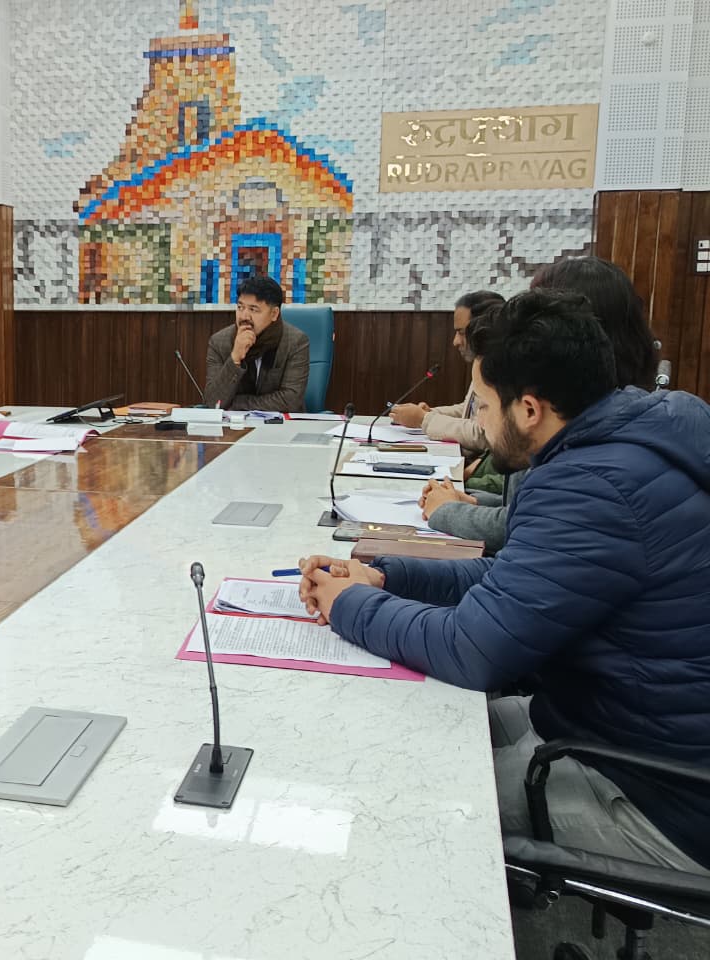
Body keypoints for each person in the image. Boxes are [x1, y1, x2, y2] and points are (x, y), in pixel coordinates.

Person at [299, 288, 710, 875]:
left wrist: (348, 604)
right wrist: (388, 576)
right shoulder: (623, 444)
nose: (481, 426)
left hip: (657, 794)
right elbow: (512, 579)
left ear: (529, 410)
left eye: (485, 408)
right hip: (605, 723)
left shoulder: (594, 486)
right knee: (412, 724)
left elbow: (470, 650)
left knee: (405, 794)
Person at [422, 256, 661, 552]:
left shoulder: (588, 439)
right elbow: (533, 511)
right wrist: (471, 501)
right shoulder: (613, 409)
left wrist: (449, 511)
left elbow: (534, 525)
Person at [389, 290, 504, 455]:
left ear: (484, 329)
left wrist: (424, 419)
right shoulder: (481, 362)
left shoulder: (500, 369)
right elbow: (468, 411)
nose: (455, 341)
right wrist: (430, 413)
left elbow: (483, 434)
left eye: (461, 332)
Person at [203, 274, 309, 412]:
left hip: (282, 424)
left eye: (253, 309)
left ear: (274, 314)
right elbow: (213, 402)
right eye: (240, 307)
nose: (244, 316)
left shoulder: (295, 342)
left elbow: (290, 401)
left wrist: (235, 404)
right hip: (233, 424)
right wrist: (235, 358)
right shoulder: (219, 342)